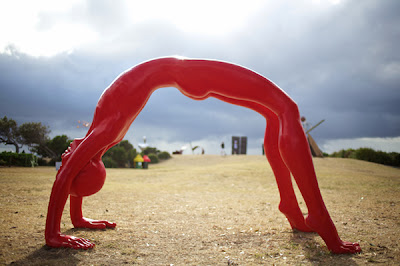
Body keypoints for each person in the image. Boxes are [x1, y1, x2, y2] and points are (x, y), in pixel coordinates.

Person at [45, 57, 360, 253]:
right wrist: (54, 236)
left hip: (182, 72)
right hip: (185, 74)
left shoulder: (97, 140)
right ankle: (310, 214)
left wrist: (75, 220)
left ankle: (292, 206)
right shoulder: (104, 135)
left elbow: (68, 175)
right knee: (285, 110)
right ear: (91, 164)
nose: (65, 157)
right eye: (71, 162)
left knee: (279, 113)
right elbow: (68, 175)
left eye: (67, 159)